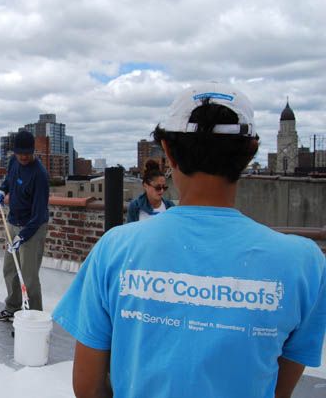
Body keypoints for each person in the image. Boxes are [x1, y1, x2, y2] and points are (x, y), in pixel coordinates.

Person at [53, 83, 325, 398]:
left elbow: (88, 388)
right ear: (251, 151)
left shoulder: (114, 250)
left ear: (167, 151)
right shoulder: (304, 264)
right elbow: (278, 388)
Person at [0, 130, 50, 322]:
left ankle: (35, 318)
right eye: (20, 153)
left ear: (33, 151)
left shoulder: (39, 175)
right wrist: (2, 191)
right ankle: (12, 308)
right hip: (13, 222)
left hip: (32, 229)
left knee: (29, 277)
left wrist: (23, 236)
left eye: (27, 153)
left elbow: (39, 214)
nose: (24, 157)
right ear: (15, 152)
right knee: (10, 269)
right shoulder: (14, 162)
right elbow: (9, 181)